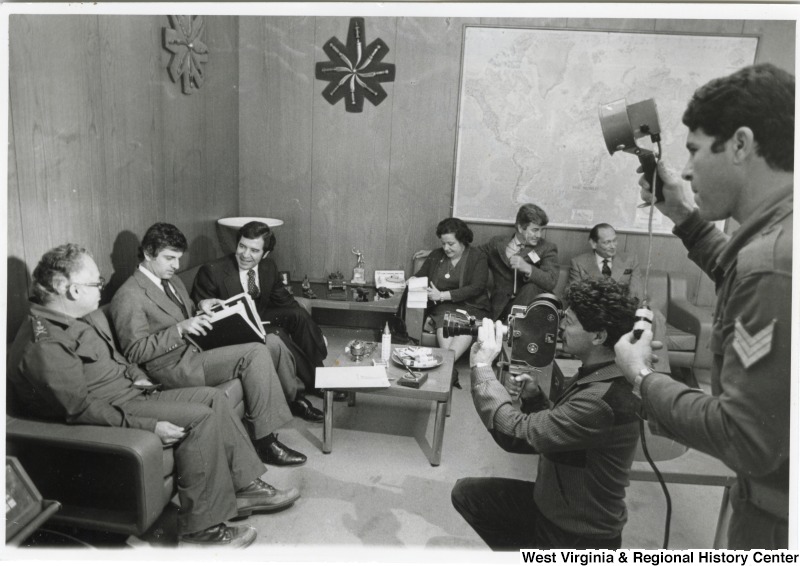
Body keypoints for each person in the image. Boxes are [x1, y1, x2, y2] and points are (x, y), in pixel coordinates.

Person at [7, 244, 301, 547]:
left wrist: (138, 376)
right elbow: (80, 409)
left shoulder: (73, 319)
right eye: (95, 283)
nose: (101, 289)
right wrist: (149, 427)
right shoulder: (45, 344)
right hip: (119, 408)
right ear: (66, 289)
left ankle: (244, 488)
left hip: (133, 393)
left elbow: (113, 359)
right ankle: (201, 529)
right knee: (200, 416)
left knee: (213, 398)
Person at [614, 63, 793, 550]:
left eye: (694, 150)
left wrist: (643, 378)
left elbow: (745, 439)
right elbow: (743, 272)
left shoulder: (774, 262)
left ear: (740, 143)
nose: (687, 170)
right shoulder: (780, 237)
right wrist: (682, 215)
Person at [451, 278, 641, 550]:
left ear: (598, 336)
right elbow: (566, 435)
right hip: (553, 505)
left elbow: (515, 435)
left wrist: (481, 367)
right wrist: (533, 398)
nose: (560, 326)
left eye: (570, 322)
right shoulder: (598, 373)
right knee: (468, 495)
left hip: (578, 535)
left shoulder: (602, 399)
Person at [110, 222, 307, 467]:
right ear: (148, 253)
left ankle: (287, 403)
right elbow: (134, 352)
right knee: (255, 352)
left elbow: (184, 311)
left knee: (268, 341)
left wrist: (201, 306)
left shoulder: (169, 280)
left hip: (195, 349)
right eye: (170, 258)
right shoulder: (129, 295)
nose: (176, 266)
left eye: (178, 259)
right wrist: (178, 330)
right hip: (172, 368)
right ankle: (264, 442)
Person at [191, 220, 327, 421]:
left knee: (297, 314)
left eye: (254, 251)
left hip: (259, 316)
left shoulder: (268, 267)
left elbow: (285, 300)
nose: (245, 255)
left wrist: (315, 332)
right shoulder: (212, 271)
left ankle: (321, 377)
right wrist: (204, 305)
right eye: (242, 246)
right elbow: (202, 312)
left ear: (265, 254)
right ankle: (300, 396)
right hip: (232, 330)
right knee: (277, 334)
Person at [409, 217, 490, 364]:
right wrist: (412, 280)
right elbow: (421, 275)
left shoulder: (478, 257)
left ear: (463, 241)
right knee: (445, 324)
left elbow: (476, 287)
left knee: (464, 327)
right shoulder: (436, 255)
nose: (446, 248)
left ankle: (445, 368)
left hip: (472, 306)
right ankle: (448, 369)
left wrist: (441, 295)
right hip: (444, 309)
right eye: (443, 243)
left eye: (451, 244)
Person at [479, 203, 560, 320]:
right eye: (535, 230)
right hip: (501, 307)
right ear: (521, 227)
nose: (539, 235)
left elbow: (551, 281)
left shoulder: (547, 248)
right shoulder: (497, 244)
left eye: (542, 230)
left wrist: (528, 268)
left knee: (531, 287)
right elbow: (475, 255)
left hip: (531, 310)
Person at [568, 223, 643, 299]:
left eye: (614, 240)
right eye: (607, 242)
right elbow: (574, 295)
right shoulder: (578, 263)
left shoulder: (630, 260)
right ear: (593, 243)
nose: (613, 246)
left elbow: (636, 294)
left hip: (623, 308)